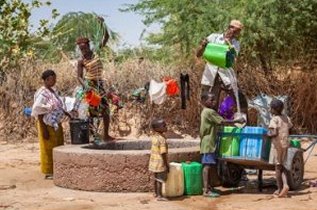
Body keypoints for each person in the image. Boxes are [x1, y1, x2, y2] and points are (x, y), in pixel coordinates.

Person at [75, 16, 114, 141]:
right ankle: (94, 135)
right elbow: (79, 77)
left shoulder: (96, 51)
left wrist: (102, 24)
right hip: (90, 85)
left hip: (99, 84)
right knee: (92, 112)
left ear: (88, 45)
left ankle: (106, 135)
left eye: (85, 47)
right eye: (81, 48)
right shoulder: (81, 60)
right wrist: (86, 87)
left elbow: (106, 37)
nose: (83, 50)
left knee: (106, 110)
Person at [200, 92, 244, 197]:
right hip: (208, 142)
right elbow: (222, 122)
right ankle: (206, 190)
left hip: (208, 141)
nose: (214, 102)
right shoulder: (209, 112)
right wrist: (237, 120)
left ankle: (208, 187)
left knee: (209, 165)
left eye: (214, 100)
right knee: (207, 166)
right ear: (204, 101)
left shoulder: (205, 111)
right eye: (211, 100)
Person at [196, 19, 243, 108]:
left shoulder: (236, 44)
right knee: (210, 103)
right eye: (234, 30)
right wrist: (202, 46)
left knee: (239, 99)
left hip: (226, 76)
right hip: (211, 75)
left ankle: (236, 118)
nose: (235, 33)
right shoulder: (213, 37)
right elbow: (198, 54)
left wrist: (228, 42)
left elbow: (234, 59)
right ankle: (210, 120)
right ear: (229, 28)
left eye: (237, 32)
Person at [31, 70, 66, 179]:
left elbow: (57, 105)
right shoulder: (42, 93)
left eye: (55, 79)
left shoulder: (52, 91)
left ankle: (57, 169)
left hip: (55, 123)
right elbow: (39, 111)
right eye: (52, 79)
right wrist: (43, 129)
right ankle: (49, 171)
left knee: (57, 145)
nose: (55, 81)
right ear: (46, 80)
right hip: (46, 124)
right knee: (48, 147)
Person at [267, 99, 292, 198]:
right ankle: (285, 185)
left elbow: (274, 133)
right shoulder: (286, 117)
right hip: (285, 144)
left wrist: (267, 135)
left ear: (274, 109)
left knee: (277, 167)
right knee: (283, 166)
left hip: (277, 146)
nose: (270, 110)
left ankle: (279, 188)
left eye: (271, 108)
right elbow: (290, 128)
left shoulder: (274, 119)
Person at [148, 118, 169, 201]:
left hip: (153, 162)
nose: (166, 127)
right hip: (160, 162)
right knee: (160, 179)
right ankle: (160, 196)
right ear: (157, 129)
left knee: (156, 178)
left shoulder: (154, 137)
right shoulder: (162, 139)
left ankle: (156, 193)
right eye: (164, 126)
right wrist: (166, 164)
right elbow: (163, 153)